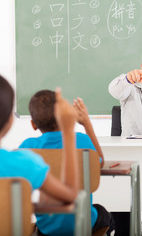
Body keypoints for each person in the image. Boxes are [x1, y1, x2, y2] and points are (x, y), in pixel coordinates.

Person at [19, 90, 113, 236]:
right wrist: (86, 123)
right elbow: (99, 161)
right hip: (83, 222)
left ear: (33, 124)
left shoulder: (28, 147)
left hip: (46, 226)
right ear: (65, 117)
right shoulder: (81, 140)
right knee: (104, 214)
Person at [0, 75, 79, 232]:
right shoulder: (23, 163)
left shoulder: (26, 150)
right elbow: (70, 195)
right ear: (10, 120)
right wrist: (69, 132)